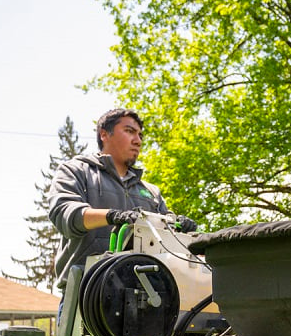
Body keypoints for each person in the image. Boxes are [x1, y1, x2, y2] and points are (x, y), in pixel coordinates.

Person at [47, 108, 196, 292]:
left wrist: (178, 226)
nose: (138, 141)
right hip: (85, 292)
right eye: (129, 131)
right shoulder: (76, 171)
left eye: (140, 135)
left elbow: (164, 239)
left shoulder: (150, 191)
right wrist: (112, 216)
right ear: (104, 134)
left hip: (144, 294)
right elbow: (66, 214)